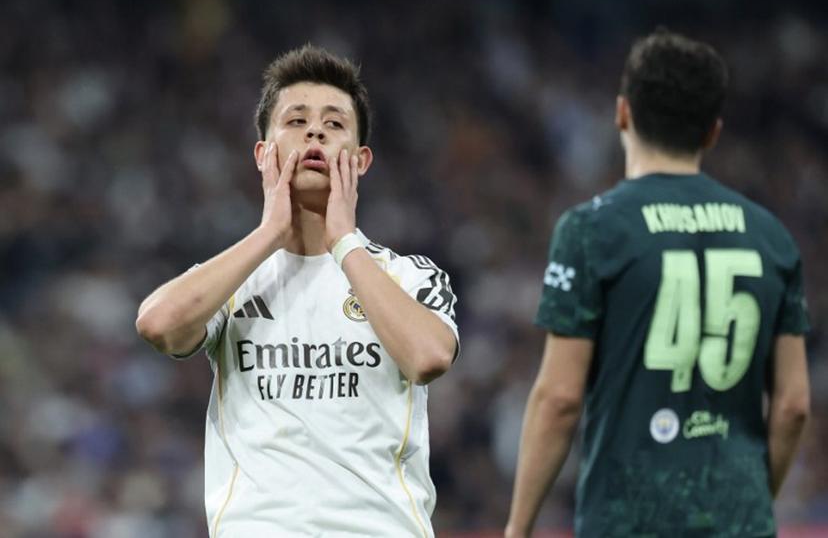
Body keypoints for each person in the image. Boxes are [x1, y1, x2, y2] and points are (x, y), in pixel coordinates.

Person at [135, 45, 459, 537]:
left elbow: (429, 357)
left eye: (334, 124)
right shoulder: (234, 279)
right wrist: (269, 233)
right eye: (296, 121)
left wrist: (344, 242)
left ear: (361, 160)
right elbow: (158, 324)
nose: (315, 133)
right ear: (263, 154)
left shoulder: (409, 275)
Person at [505, 29, 810, 537]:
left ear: (622, 113)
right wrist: (751, 502)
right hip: (739, 520)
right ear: (713, 132)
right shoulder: (771, 237)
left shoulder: (592, 230)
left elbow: (559, 399)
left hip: (627, 520)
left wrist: (517, 528)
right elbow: (794, 404)